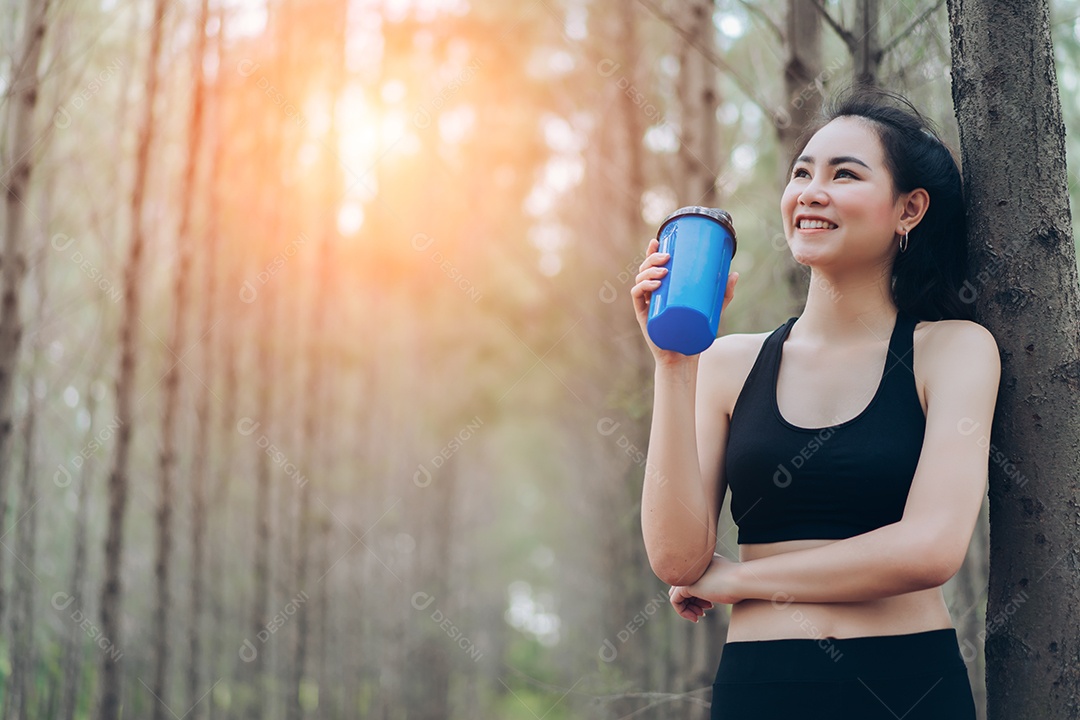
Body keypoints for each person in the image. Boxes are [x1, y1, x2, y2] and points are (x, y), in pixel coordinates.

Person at [630, 87, 1000, 719]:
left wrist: (739, 581)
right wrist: (674, 367)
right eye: (801, 172)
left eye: (844, 174)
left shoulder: (954, 350)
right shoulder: (726, 363)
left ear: (908, 209)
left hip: (907, 685)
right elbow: (677, 558)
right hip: (759, 690)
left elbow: (929, 548)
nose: (810, 191)